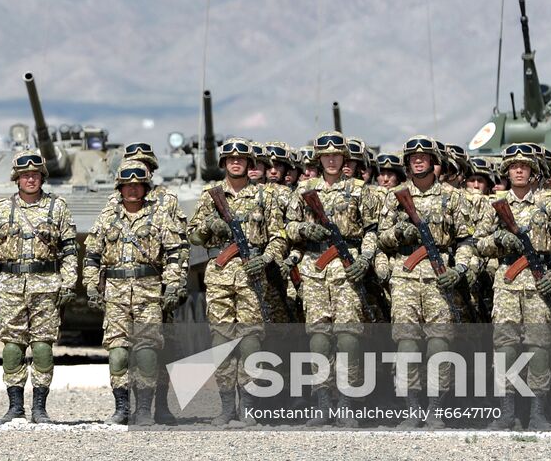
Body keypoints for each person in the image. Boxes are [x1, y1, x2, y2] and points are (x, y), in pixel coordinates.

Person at [372, 136, 478, 429]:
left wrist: (462, 268)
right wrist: (400, 236)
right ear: (407, 164)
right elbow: (381, 238)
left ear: (435, 162)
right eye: (413, 158)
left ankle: (435, 408)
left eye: (424, 157)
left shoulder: (453, 197)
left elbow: (466, 240)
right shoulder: (394, 197)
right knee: (406, 345)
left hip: (439, 278)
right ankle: (412, 409)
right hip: (405, 278)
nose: (418, 160)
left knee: (439, 345)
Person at [477, 144, 551, 431]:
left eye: (524, 166)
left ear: (534, 171)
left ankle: (537, 413)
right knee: (506, 349)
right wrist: (499, 241)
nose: (519, 170)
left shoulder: (550, 203)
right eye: (513, 166)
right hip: (508, 283)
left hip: (539, 284)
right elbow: (479, 243)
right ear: (507, 172)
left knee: (538, 349)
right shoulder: (495, 205)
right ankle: (507, 412)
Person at [281, 131, 382, 426]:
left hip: (346, 266)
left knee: (349, 339)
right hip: (314, 268)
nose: (332, 159)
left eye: (337, 155)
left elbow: (372, 231)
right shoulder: (303, 191)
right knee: (318, 340)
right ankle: (323, 403)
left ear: (345, 158)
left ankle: (347, 403)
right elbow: (288, 227)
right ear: (319, 158)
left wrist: (365, 259)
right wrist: (302, 231)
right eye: (326, 155)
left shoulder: (362, 191)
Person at [189, 138, 288, 425]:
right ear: (223, 164)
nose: (236, 163)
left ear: (249, 164)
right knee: (221, 341)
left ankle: (248, 406)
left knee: (250, 342)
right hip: (220, 275)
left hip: (252, 276)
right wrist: (209, 226)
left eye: (241, 159)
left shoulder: (264, 197)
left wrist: (267, 258)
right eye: (231, 159)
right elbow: (193, 234)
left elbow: (279, 236)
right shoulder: (211, 196)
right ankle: (226, 407)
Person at [0, 152, 78, 424]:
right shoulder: (2, 209)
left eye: (35, 175)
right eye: (25, 175)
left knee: (43, 346)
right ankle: (15, 406)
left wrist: (69, 283)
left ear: (42, 177)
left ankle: (40, 407)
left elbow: (69, 251)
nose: (30, 179)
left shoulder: (57, 207)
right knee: (12, 346)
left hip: (46, 286)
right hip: (10, 285)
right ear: (17, 179)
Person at [83, 164, 186, 425]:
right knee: (117, 352)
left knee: (147, 352)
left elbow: (175, 254)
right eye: (127, 185)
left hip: (148, 292)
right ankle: (122, 408)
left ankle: (143, 410)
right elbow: (92, 256)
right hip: (115, 294)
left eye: (138, 184)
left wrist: (173, 285)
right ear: (119, 188)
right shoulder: (107, 217)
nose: (132, 189)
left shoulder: (159, 215)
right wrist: (91, 286)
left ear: (145, 187)